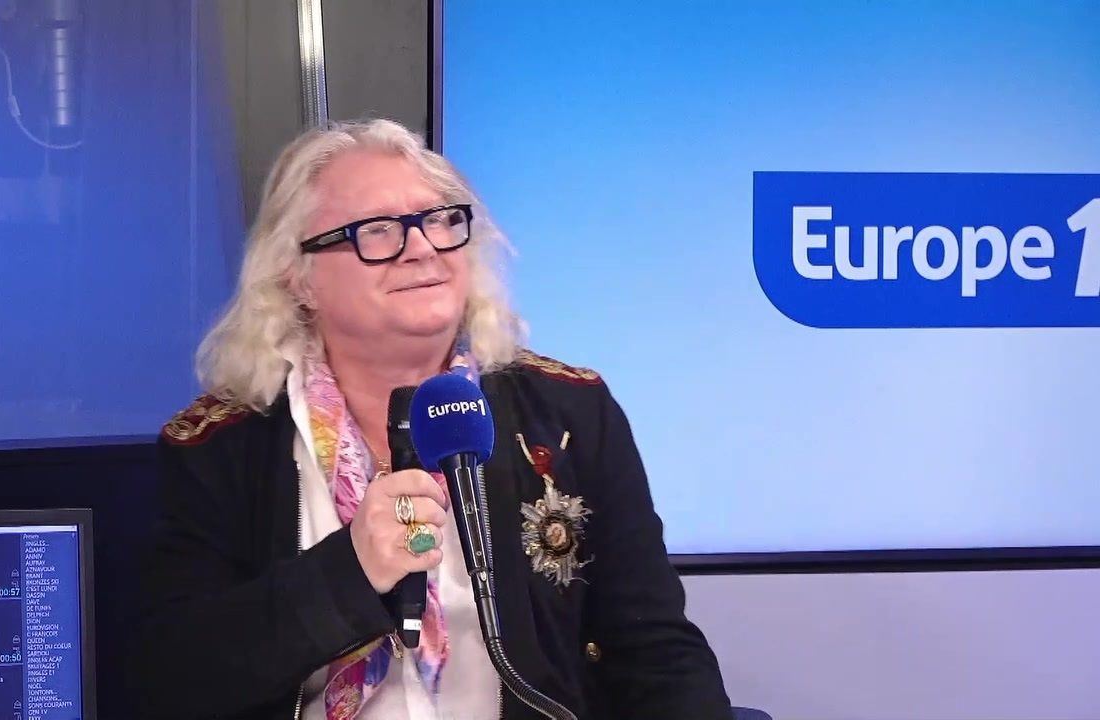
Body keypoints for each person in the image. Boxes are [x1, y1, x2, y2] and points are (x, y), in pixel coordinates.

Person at [132, 119, 732, 720]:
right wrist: (349, 573)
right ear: (297, 276)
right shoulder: (218, 445)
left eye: (442, 221)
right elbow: (173, 676)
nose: (422, 247)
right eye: (377, 230)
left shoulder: (571, 414)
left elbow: (656, 653)